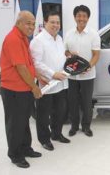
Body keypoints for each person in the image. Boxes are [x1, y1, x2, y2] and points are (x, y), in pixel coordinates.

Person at [0, 11, 43, 168]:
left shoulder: (23, 38)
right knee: (15, 123)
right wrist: (34, 87)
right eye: (28, 23)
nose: (31, 27)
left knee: (24, 121)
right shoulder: (13, 39)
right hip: (14, 90)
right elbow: (21, 68)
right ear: (18, 23)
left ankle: (25, 148)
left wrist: (39, 78)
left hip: (24, 88)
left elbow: (30, 64)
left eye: (33, 23)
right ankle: (15, 155)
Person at [30, 11, 70, 151]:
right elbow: (36, 63)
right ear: (45, 22)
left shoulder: (59, 38)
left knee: (60, 111)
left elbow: (61, 57)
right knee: (43, 114)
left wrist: (69, 59)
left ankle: (56, 134)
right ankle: (44, 139)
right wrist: (53, 74)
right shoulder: (38, 40)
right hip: (46, 84)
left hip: (61, 83)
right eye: (52, 22)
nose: (55, 25)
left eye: (57, 22)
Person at [65, 5, 100, 137]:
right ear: (75, 17)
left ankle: (86, 127)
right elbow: (65, 51)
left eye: (84, 16)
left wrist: (88, 66)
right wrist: (69, 53)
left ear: (88, 18)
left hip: (87, 75)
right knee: (72, 102)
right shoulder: (68, 34)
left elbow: (96, 55)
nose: (81, 18)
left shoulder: (93, 35)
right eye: (79, 15)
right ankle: (74, 126)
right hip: (72, 75)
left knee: (86, 102)